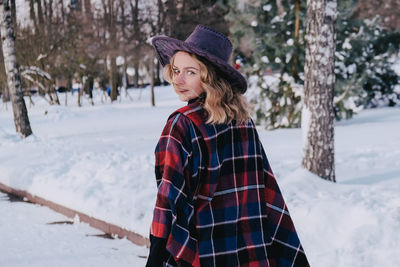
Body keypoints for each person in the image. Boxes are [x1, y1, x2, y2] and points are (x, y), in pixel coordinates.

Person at [147, 25, 309, 267]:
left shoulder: (181, 126)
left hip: (205, 252)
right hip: (250, 249)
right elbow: (267, 191)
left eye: (191, 72)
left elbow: (169, 201)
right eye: (176, 69)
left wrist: (156, 254)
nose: (178, 80)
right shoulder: (243, 122)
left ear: (212, 77)